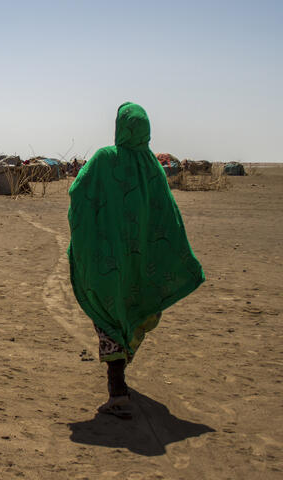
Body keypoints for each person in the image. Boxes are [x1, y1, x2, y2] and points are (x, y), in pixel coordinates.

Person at [67, 102, 204, 419]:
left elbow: (78, 193)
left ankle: (117, 392)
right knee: (129, 311)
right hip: (142, 263)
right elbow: (167, 215)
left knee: (108, 316)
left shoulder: (104, 159)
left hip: (107, 260)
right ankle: (120, 375)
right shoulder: (152, 166)